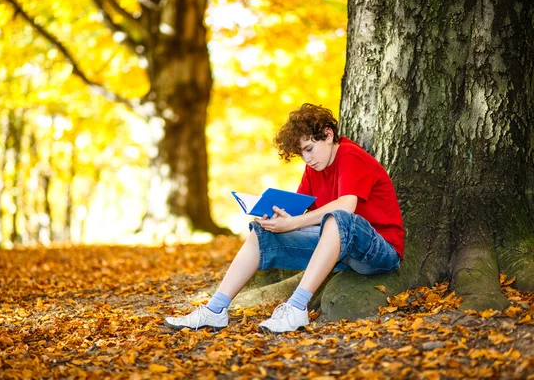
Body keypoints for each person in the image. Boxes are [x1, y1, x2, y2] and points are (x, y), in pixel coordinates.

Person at [164, 103, 404, 333]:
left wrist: (294, 223)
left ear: (328, 135)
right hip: (340, 252)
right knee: (263, 234)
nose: (307, 158)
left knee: (338, 217)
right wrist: (275, 220)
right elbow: (298, 211)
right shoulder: (314, 168)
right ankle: (214, 310)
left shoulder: (351, 156)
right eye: (301, 153)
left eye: (309, 149)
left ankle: (296, 307)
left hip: (379, 251)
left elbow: (346, 206)